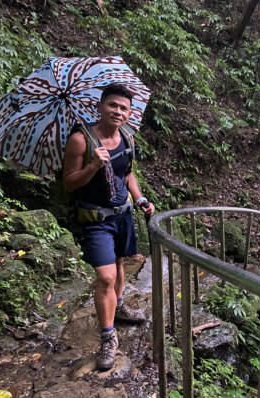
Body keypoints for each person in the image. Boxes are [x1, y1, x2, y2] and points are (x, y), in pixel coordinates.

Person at [63, 83, 154, 371]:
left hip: (123, 214)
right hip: (95, 219)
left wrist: (140, 199)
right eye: (113, 105)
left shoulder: (128, 138)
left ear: (129, 114)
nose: (118, 111)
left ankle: (119, 306)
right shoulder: (81, 140)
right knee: (104, 276)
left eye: (123, 108)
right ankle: (108, 336)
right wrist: (92, 165)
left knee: (118, 265)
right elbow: (69, 183)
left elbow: (127, 174)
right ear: (100, 106)